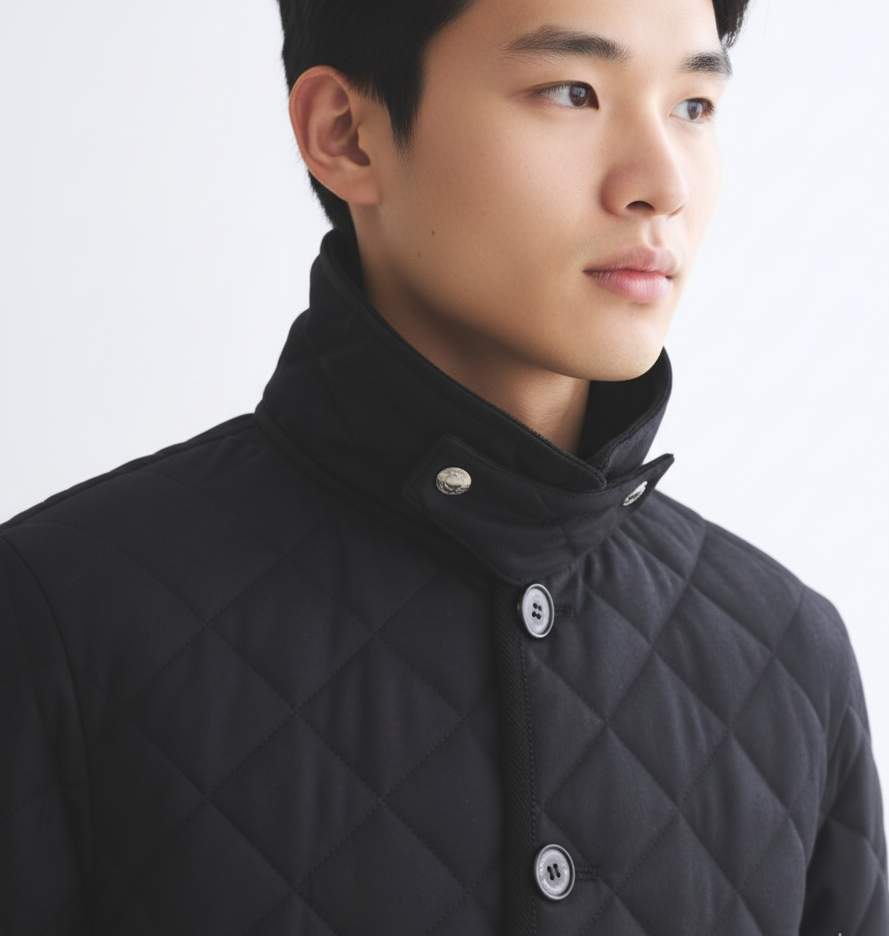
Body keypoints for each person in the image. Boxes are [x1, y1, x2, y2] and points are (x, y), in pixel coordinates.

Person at [1, 0, 886, 932]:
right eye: (571, 91)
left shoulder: (792, 660)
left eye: (693, 106)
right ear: (346, 134)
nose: (661, 184)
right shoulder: (60, 617)